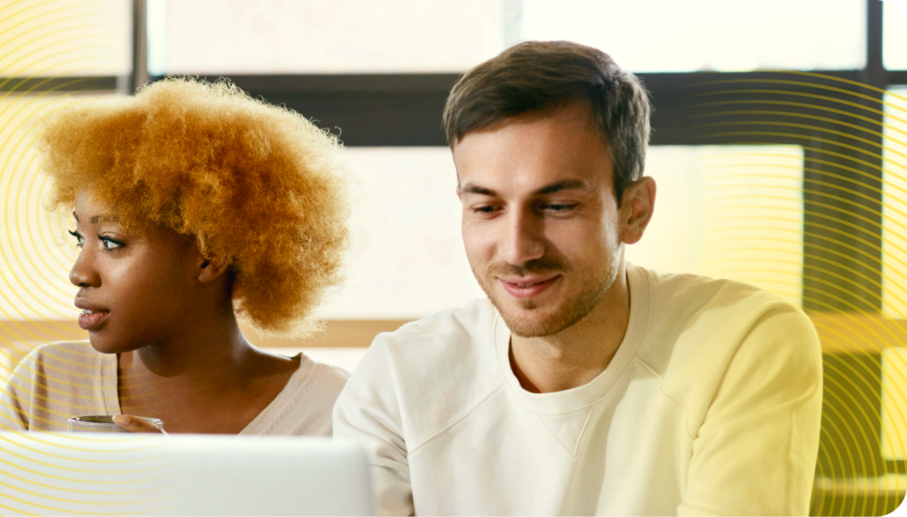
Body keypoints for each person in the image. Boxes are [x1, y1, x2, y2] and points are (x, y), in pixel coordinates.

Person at [333, 41, 823, 516]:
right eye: (486, 207)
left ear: (635, 211)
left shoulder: (742, 343)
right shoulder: (396, 380)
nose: (517, 248)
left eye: (558, 206)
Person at [0, 78, 351, 436]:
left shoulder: (334, 411)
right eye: (78, 238)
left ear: (210, 256)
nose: (79, 273)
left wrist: (176, 483)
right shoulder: (46, 386)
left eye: (111, 242)